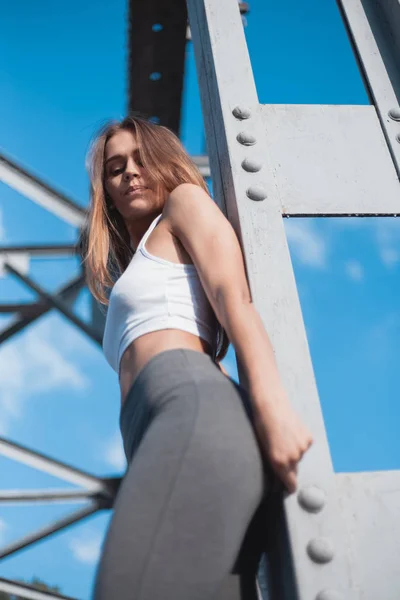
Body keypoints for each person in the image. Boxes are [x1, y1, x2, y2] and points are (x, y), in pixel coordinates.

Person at [79, 115, 313, 600]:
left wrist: (272, 410)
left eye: (142, 159)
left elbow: (233, 299)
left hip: (190, 408)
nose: (129, 173)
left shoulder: (184, 205)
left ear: (166, 162)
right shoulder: (139, 260)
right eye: (115, 167)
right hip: (156, 429)